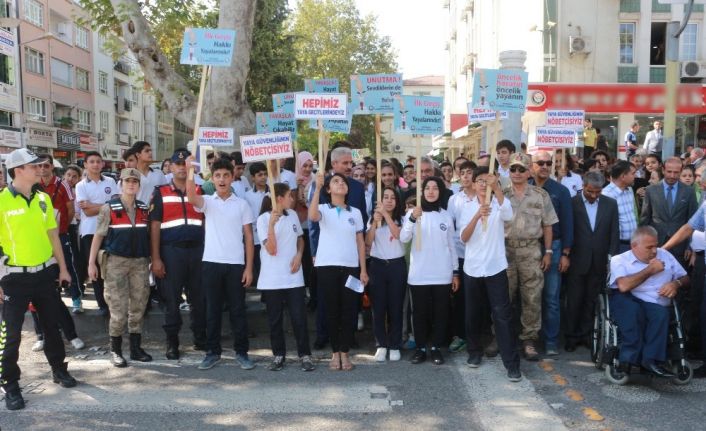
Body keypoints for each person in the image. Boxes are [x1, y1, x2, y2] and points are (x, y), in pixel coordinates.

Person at [0, 149, 78, 411]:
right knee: (10, 335)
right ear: (17, 170)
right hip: (13, 279)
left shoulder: (43, 199)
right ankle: (10, 384)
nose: (40, 168)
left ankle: (59, 370)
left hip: (45, 275)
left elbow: (53, 236)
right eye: (34, 166)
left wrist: (63, 269)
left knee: (51, 326)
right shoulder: (1, 202)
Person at [186, 155, 255, 371]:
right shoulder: (208, 202)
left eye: (226, 175)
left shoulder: (242, 204)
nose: (222, 179)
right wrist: (189, 170)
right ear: (212, 179)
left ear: (233, 177)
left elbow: (249, 238)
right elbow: (190, 197)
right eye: (218, 175)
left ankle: (242, 352)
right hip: (211, 263)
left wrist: (249, 268)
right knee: (212, 310)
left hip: (235, 264)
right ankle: (212, 352)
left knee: (237, 310)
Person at [459, 166, 522, 382]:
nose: (482, 184)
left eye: (487, 181)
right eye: (480, 181)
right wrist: (478, 215)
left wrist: (497, 189)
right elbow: (464, 237)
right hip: (473, 268)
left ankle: (512, 364)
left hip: (495, 267)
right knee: (473, 314)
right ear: (474, 184)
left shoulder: (498, 203)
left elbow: (509, 215)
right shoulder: (465, 205)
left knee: (503, 316)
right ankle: (474, 352)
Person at [87, 168, 153, 367]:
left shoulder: (143, 209)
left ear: (139, 186)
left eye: (135, 181)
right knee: (118, 307)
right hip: (116, 263)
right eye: (127, 181)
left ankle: (135, 348)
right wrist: (91, 263)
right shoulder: (109, 208)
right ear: (121, 184)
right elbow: (98, 236)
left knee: (138, 306)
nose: (131, 184)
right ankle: (115, 350)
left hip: (140, 263)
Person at [149, 149, 206, 359]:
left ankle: (201, 338)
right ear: (170, 167)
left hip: (198, 251)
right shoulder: (160, 192)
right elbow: (154, 226)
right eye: (178, 164)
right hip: (171, 252)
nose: (182, 167)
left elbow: (207, 223)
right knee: (171, 300)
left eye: (186, 164)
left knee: (199, 299)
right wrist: (156, 258)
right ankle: (172, 343)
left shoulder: (200, 190)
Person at [308, 171, 368, 371]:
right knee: (332, 311)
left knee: (349, 311)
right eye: (335, 181)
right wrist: (316, 188)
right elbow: (312, 216)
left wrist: (363, 270)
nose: (340, 184)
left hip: (350, 266)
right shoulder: (324, 208)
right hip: (327, 267)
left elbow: (360, 242)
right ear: (328, 189)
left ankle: (345, 352)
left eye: (343, 181)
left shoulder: (356, 212)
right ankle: (335, 353)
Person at [610, 226, 687, 377]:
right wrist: (650, 270)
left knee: (660, 314)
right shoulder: (619, 260)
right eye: (649, 247)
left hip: (655, 302)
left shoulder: (665, 255)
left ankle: (651, 361)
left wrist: (675, 284)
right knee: (633, 311)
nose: (654, 251)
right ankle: (626, 360)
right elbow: (624, 286)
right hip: (628, 297)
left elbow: (685, 277)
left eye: (656, 246)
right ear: (634, 246)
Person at [503, 153, 558, 361]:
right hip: (505, 251)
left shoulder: (540, 195)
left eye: (521, 169)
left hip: (531, 251)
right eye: (513, 169)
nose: (517, 173)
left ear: (529, 172)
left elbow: (548, 225)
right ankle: (501, 336)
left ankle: (529, 339)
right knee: (503, 297)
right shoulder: (501, 194)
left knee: (532, 297)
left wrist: (549, 251)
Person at [400, 177, 459, 366]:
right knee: (419, 313)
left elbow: (452, 245)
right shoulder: (413, 212)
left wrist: (455, 272)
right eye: (427, 188)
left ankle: (435, 348)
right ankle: (420, 348)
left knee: (440, 313)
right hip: (419, 274)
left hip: (442, 273)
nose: (431, 191)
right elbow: (403, 237)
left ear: (440, 191)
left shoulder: (446, 216)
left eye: (435, 188)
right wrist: (411, 218)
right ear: (422, 191)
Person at [257, 183, 315, 372]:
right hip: (272, 278)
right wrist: (272, 226)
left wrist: (299, 255)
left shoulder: (294, 216)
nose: (293, 199)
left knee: (299, 318)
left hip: (293, 277)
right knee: (275, 319)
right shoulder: (263, 219)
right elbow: (271, 249)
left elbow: (300, 238)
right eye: (289, 196)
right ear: (279, 198)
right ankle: (278, 355)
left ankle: (305, 354)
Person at [34, 154, 85, 350]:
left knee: (60, 281)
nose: (42, 169)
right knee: (37, 298)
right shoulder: (31, 187)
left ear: (52, 167)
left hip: (58, 236)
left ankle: (75, 306)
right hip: (36, 245)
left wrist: (61, 228)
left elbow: (70, 209)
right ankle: (41, 336)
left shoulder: (61, 185)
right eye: (38, 166)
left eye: (45, 165)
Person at [565, 172, 619, 351]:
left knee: (591, 300)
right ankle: (571, 336)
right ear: (583, 185)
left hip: (599, 261)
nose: (594, 195)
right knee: (574, 300)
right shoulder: (572, 203)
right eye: (590, 191)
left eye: (598, 192)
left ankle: (587, 334)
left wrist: (611, 259)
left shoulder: (610, 204)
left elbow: (614, 234)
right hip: (577, 261)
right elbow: (567, 231)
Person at [531, 151, 573, 356]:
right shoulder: (524, 187)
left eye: (549, 163)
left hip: (554, 248)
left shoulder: (561, 191)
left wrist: (565, 252)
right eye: (541, 163)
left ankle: (550, 341)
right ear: (532, 165)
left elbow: (567, 223)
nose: (545, 166)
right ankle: (528, 339)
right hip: (527, 247)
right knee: (527, 296)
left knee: (551, 297)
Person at [366, 186, 406, 362]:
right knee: (379, 307)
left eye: (392, 198)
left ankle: (395, 344)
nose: (389, 200)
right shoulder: (372, 219)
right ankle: (381, 344)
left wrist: (386, 215)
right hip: (377, 266)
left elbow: (399, 235)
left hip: (397, 266)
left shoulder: (403, 219)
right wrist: (375, 222)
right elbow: (367, 243)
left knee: (396, 307)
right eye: (385, 197)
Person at [75, 151, 118, 315]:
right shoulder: (81, 185)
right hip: (89, 232)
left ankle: (114, 303)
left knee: (112, 267)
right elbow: (87, 212)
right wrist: (105, 205)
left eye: (98, 161)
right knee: (95, 269)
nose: (95, 164)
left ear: (102, 164)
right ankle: (102, 305)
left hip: (110, 230)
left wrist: (94, 205)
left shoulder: (111, 181)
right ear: (85, 164)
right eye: (91, 161)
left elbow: (116, 205)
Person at [640, 157, 698, 266]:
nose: (672, 176)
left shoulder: (689, 191)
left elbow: (692, 221)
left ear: (681, 172)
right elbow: (645, 219)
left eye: (676, 172)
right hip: (656, 244)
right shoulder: (651, 190)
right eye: (669, 172)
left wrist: (689, 246)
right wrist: (644, 244)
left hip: (680, 246)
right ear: (663, 170)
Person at [446, 160, 477, 353]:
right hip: (459, 254)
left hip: (478, 255)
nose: (465, 176)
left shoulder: (483, 198)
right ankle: (459, 334)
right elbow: (450, 228)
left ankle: (475, 335)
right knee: (459, 298)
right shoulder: (454, 199)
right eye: (462, 172)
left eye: (469, 172)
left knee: (476, 298)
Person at [602, 161, 638, 253]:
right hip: (617, 246)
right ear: (623, 176)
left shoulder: (629, 190)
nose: (636, 176)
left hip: (633, 243)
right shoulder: (607, 194)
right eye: (633, 173)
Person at [244, 162, 269, 286]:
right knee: (260, 267)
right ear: (253, 177)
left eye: (265, 174)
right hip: (256, 239)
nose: (263, 177)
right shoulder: (247, 196)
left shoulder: (273, 194)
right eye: (260, 175)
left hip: (272, 237)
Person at [130, 141, 168, 205]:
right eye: (147, 151)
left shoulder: (159, 174)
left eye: (151, 151)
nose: (150, 153)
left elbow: (165, 194)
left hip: (156, 213)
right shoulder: (130, 176)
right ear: (138, 155)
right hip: (137, 213)